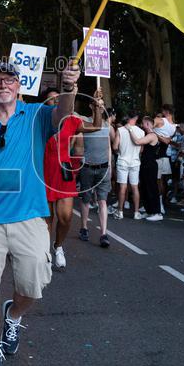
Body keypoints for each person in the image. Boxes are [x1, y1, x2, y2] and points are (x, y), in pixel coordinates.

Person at [0, 60, 81, 366]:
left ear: (19, 86)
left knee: (33, 282)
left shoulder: (37, 114)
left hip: (28, 214)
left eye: (9, 80)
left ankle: (13, 316)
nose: (3, 85)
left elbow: (63, 114)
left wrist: (68, 88)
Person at [42, 89, 83, 270]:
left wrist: (98, 109)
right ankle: (45, 252)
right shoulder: (40, 122)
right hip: (44, 171)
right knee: (47, 217)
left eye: (59, 97)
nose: (57, 100)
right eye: (52, 98)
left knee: (65, 217)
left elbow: (80, 149)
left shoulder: (73, 121)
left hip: (64, 172)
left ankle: (58, 246)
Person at [77, 91, 111, 247]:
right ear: (92, 106)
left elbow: (110, 147)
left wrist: (110, 165)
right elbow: (71, 113)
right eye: (98, 104)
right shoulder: (85, 122)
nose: (101, 107)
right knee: (85, 200)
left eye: (102, 105)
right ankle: (84, 227)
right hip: (87, 167)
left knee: (103, 201)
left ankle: (104, 234)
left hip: (104, 168)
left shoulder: (109, 126)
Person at [130, 117, 163, 221]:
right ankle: (149, 211)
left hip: (150, 165)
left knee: (151, 188)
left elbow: (137, 141)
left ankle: (157, 212)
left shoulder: (152, 135)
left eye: (143, 123)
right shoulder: (148, 135)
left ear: (148, 124)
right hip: (145, 164)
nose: (141, 125)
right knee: (145, 188)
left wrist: (130, 129)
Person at [113, 113, 144, 219]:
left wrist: (120, 152)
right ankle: (136, 213)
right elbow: (141, 149)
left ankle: (120, 212)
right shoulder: (141, 132)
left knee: (122, 187)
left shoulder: (120, 130)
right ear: (136, 118)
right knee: (135, 187)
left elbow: (115, 146)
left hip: (122, 161)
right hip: (135, 162)